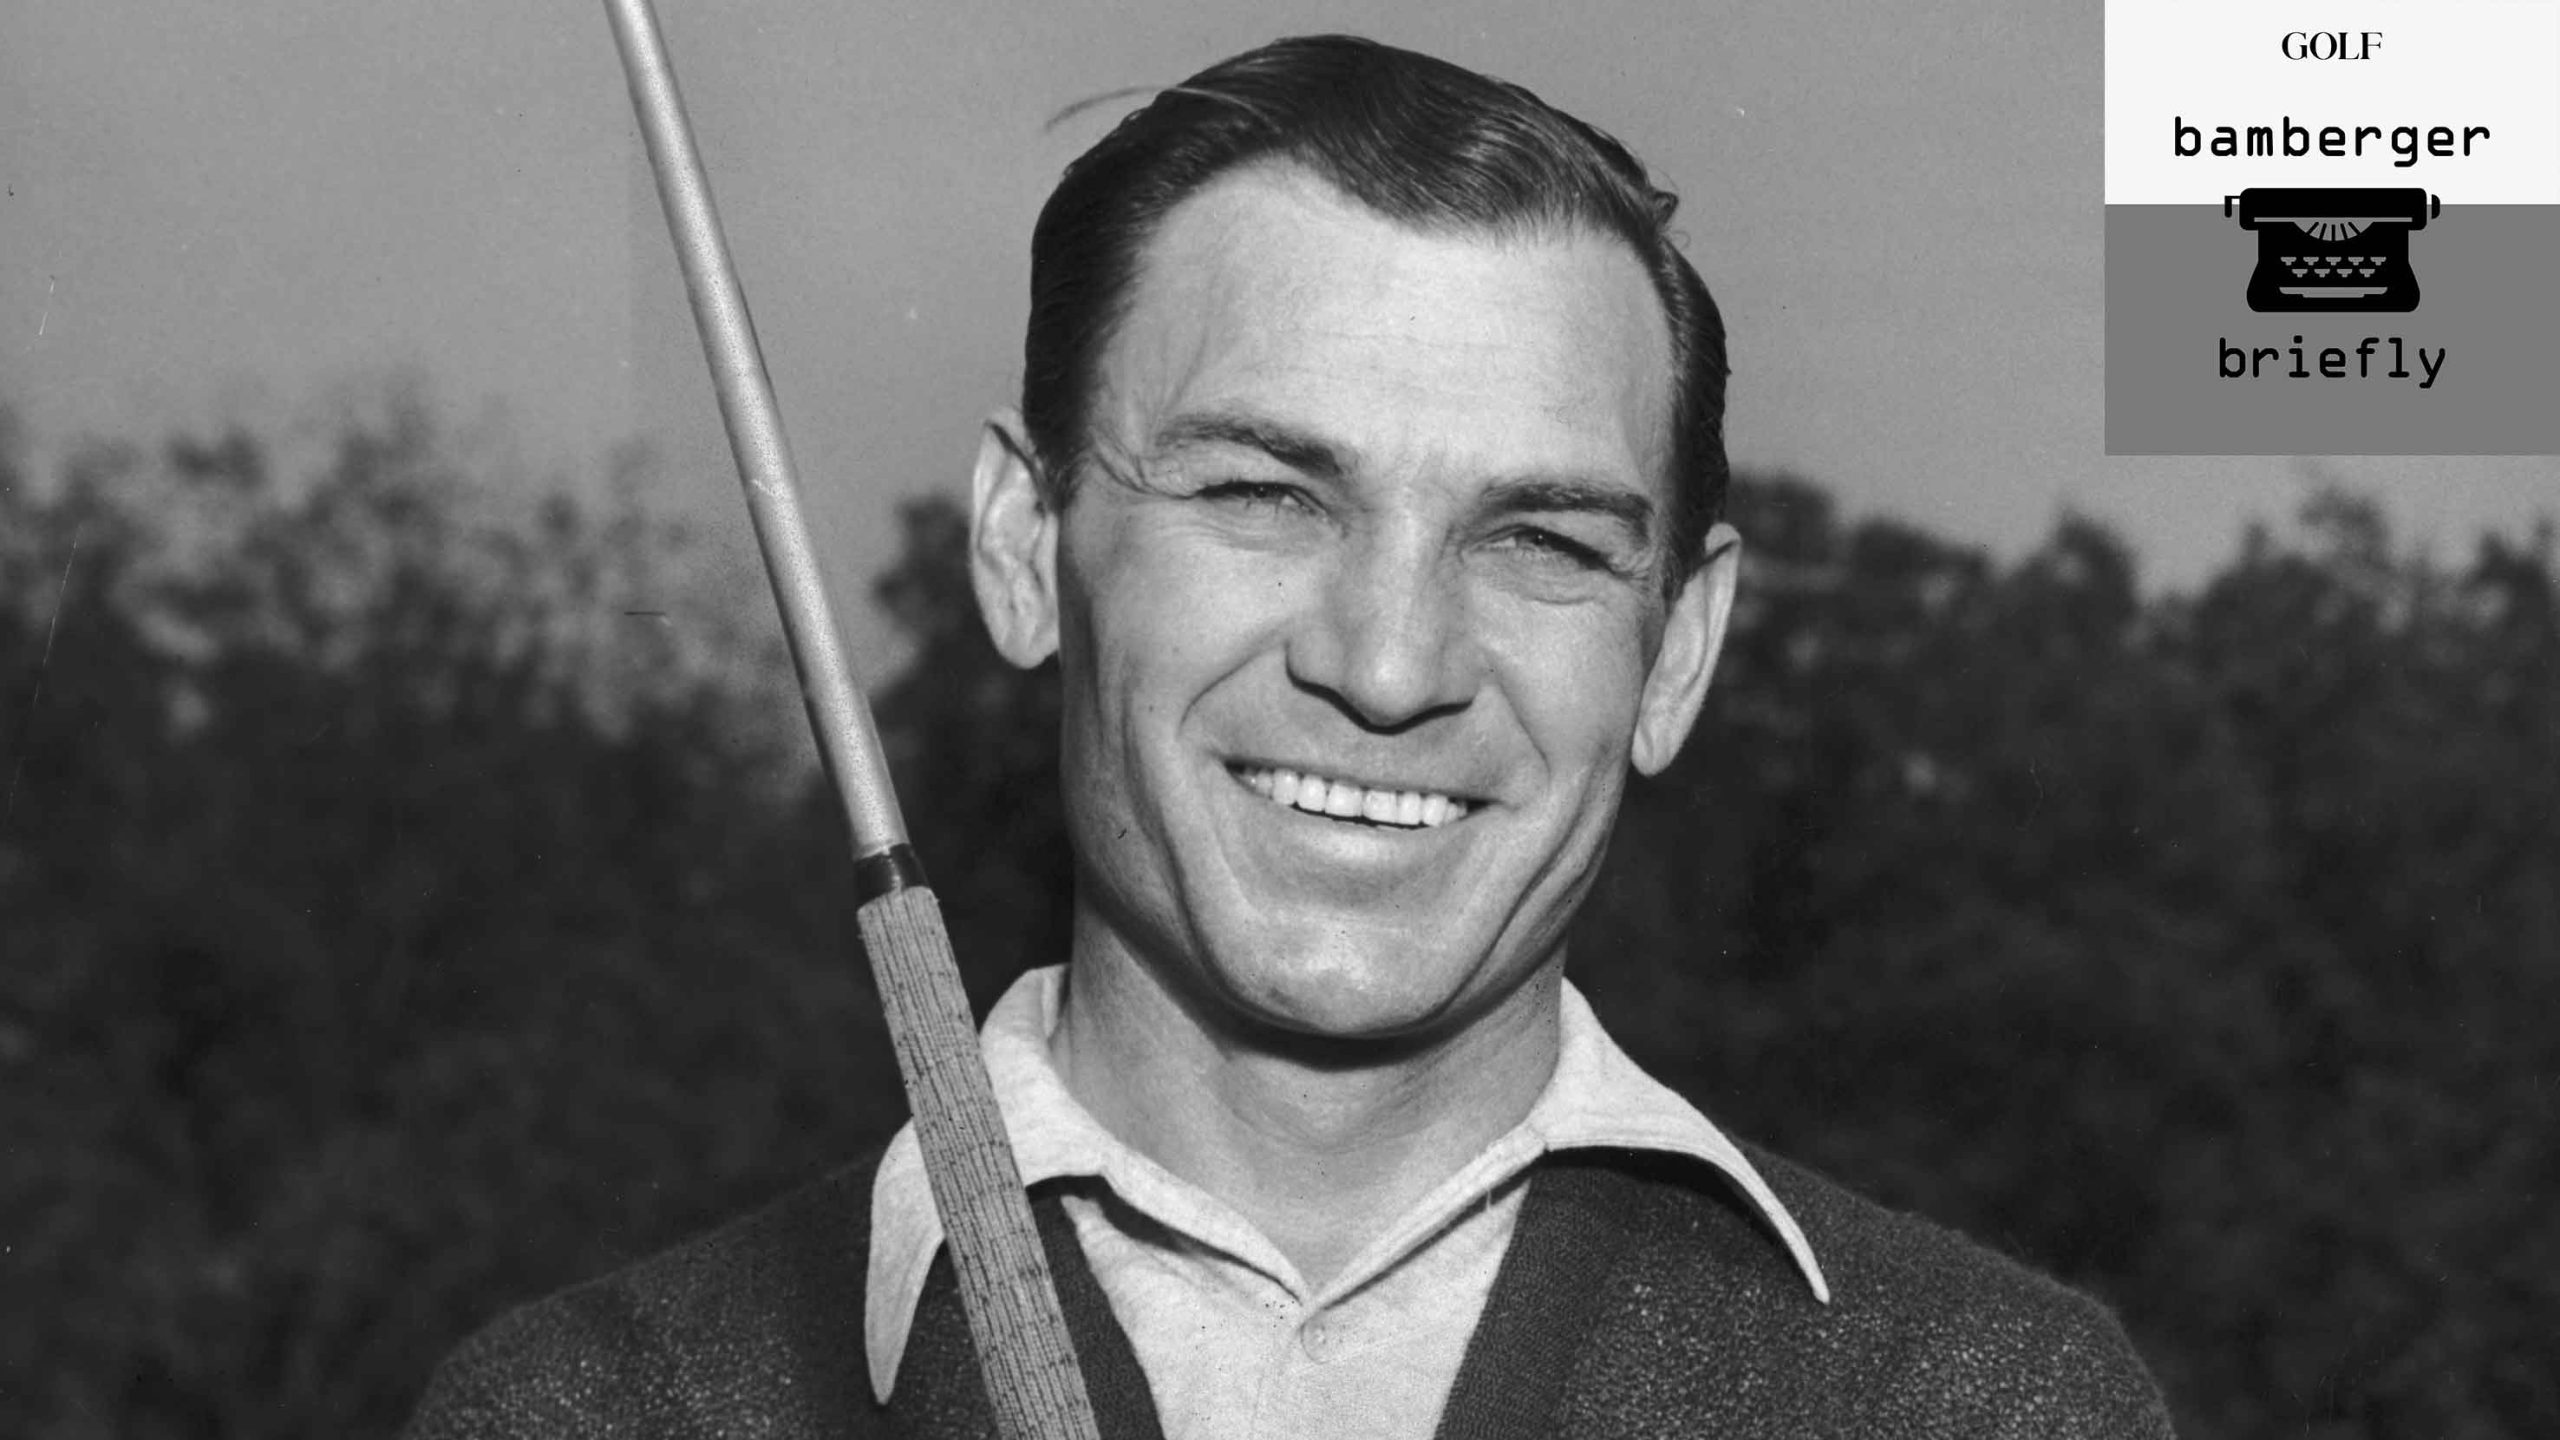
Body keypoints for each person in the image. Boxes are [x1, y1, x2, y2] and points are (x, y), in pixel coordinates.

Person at [405, 34, 2174, 1438]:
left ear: (1677, 651)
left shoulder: (1983, 1406)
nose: (1391, 665)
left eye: (1540, 541)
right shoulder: (607, 1408)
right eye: (1263, 493)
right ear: (1026, 549)